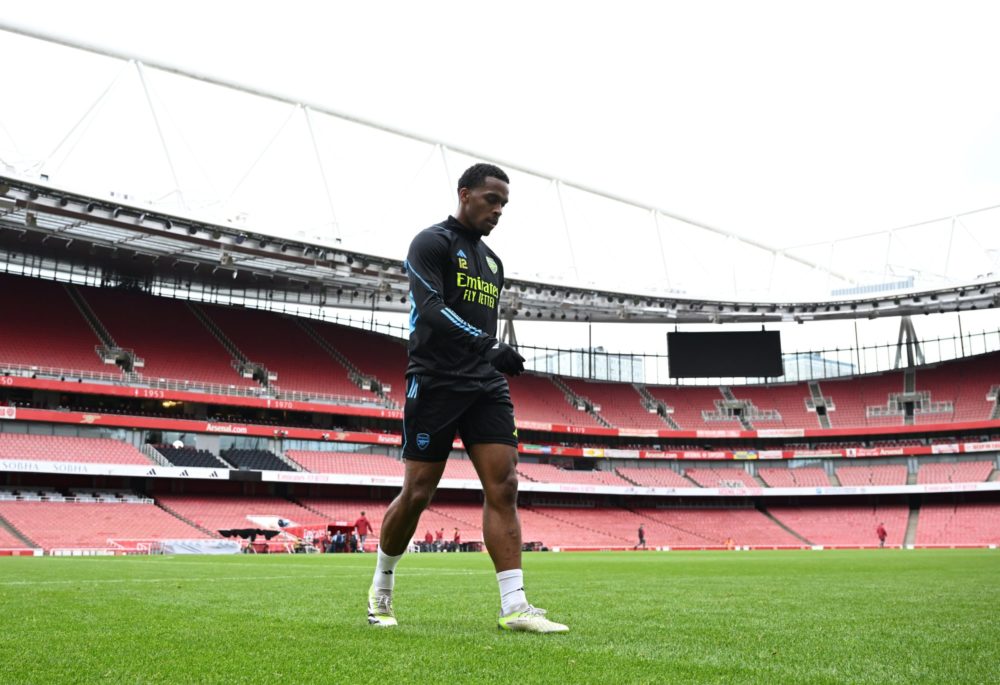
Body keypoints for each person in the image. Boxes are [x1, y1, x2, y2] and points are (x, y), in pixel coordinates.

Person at [366, 163, 568, 633]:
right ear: (464, 194)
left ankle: (515, 606)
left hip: (484, 385)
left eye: (504, 204)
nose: (498, 211)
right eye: (491, 200)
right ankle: (381, 588)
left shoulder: (494, 263)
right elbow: (431, 309)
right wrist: (487, 346)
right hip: (434, 380)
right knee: (418, 493)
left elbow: (483, 327)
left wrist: (488, 355)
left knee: (505, 485)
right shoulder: (430, 243)